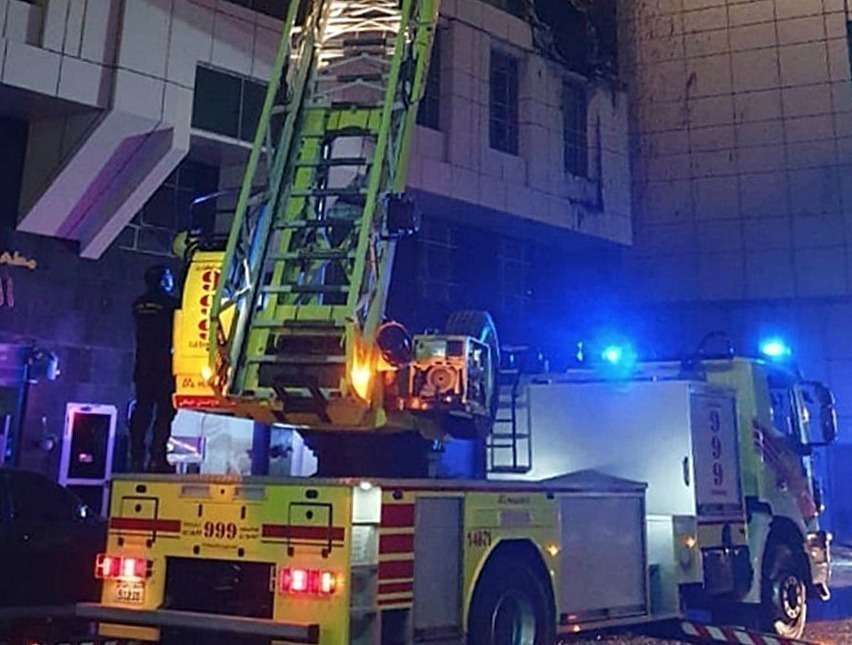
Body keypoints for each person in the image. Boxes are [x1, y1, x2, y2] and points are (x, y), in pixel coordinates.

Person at [129, 265, 179, 472]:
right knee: (165, 413)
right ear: (162, 280)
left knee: (142, 410)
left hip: (143, 365)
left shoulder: (138, 304)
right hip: (163, 365)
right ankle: (157, 456)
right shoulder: (171, 304)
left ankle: (136, 455)